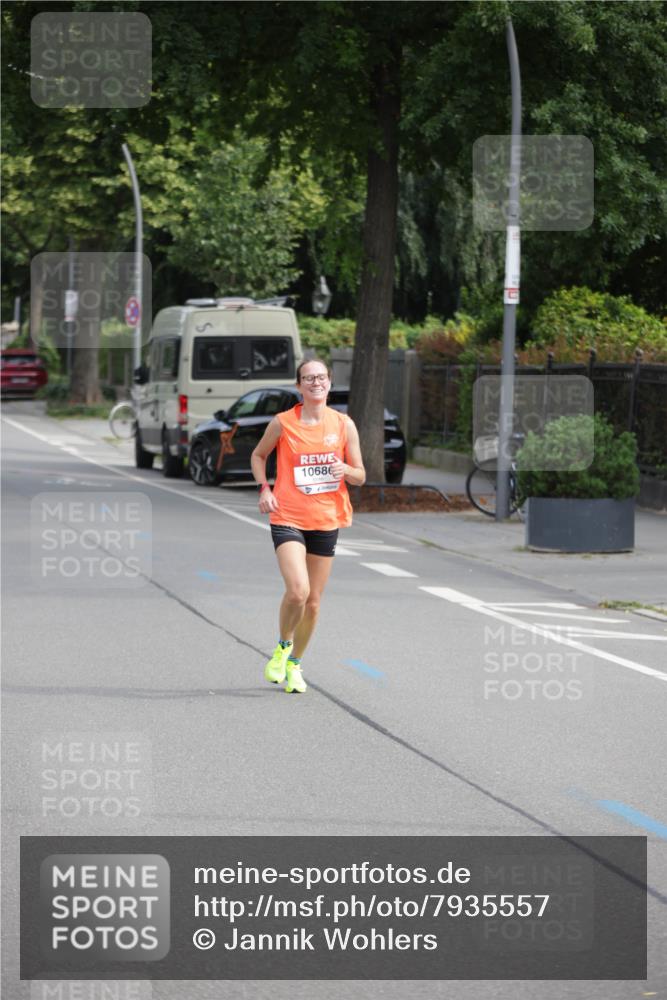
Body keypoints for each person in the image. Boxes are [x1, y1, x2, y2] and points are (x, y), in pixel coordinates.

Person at [251, 358, 366, 693]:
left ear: (329, 382)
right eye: (308, 378)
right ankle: (283, 647)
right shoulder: (283, 423)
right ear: (299, 386)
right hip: (287, 515)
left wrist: (343, 469)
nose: (316, 383)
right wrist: (264, 489)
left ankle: (296, 664)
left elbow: (360, 476)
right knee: (298, 591)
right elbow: (259, 456)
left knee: (313, 601)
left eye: (321, 377)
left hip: (326, 519)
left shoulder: (344, 425)